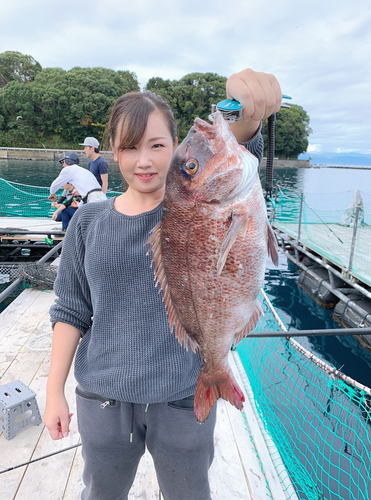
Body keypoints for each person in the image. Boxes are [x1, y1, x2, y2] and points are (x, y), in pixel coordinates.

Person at [44, 68, 282, 500]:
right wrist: (53, 391)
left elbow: (236, 147)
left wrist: (247, 116)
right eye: (130, 147)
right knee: (101, 492)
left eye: (158, 145)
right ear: (114, 152)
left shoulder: (193, 209)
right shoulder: (88, 221)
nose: (145, 160)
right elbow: (70, 311)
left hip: (182, 394)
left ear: (175, 148)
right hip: (103, 398)